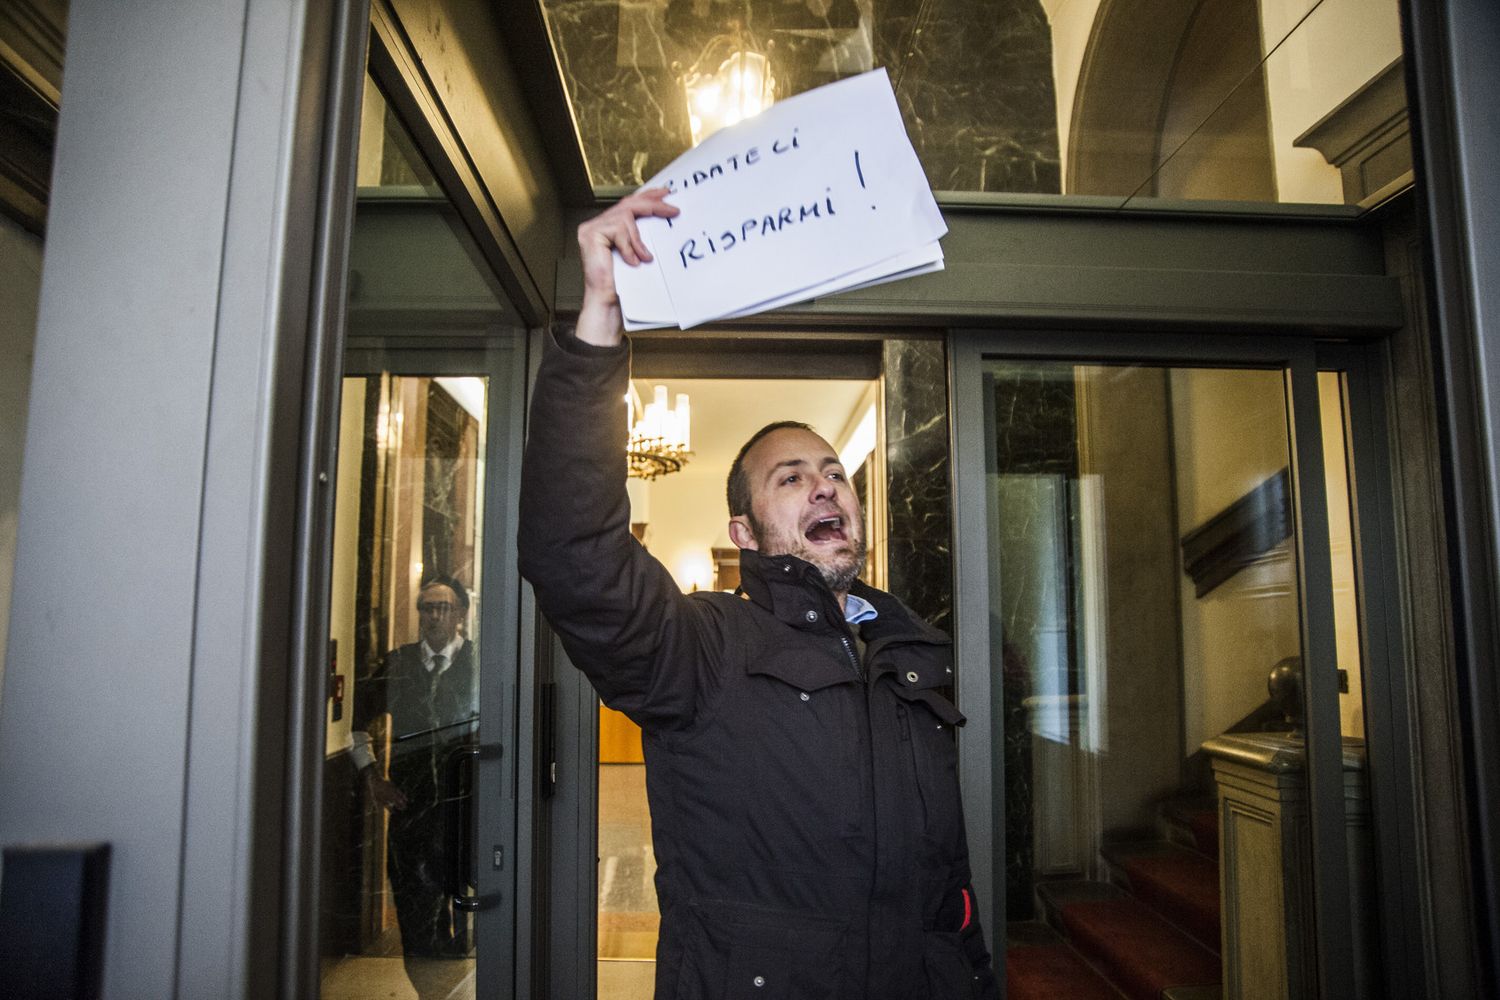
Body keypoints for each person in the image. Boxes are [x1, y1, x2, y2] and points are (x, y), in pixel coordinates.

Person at [518, 189, 997, 999]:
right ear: (742, 532)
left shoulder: (913, 649)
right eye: (792, 478)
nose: (826, 486)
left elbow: (948, 888)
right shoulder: (702, 649)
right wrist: (598, 320)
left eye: (834, 472)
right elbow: (572, 554)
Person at [350, 575, 478, 984]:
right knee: (418, 923)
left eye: (444, 607)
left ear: (460, 614)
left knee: (469, 924)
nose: (435, 615)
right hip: (413, 813)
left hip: (468, 810)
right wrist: (373, 777)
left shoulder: (480, 661)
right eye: (427, 608)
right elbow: (355, 722)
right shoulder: (398, 664)